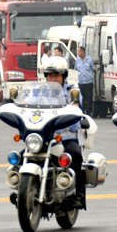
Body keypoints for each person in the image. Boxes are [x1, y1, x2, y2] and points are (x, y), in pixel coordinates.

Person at [42, 58, 87, 210]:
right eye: (50, 76)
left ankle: (76, 194)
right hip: (45, 137)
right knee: (22, 156)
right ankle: (23, 187)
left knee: (75, 154)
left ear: (64, 76)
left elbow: (75, 113)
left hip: (67, 137)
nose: (53, 79)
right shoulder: (39, 93)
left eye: (56, 75)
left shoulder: (72, 92)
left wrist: (73, 107)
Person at [75, 46, 95, 116]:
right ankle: (82, 111)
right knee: (82, 97)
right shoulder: (77, 60)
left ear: (83, 52)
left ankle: (88, 112)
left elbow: (93, 69)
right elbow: (76, 69)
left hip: (88, 82)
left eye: (79, 51)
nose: (78, 53)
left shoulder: (89, 59)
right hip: (81, 82)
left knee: (89, 97)